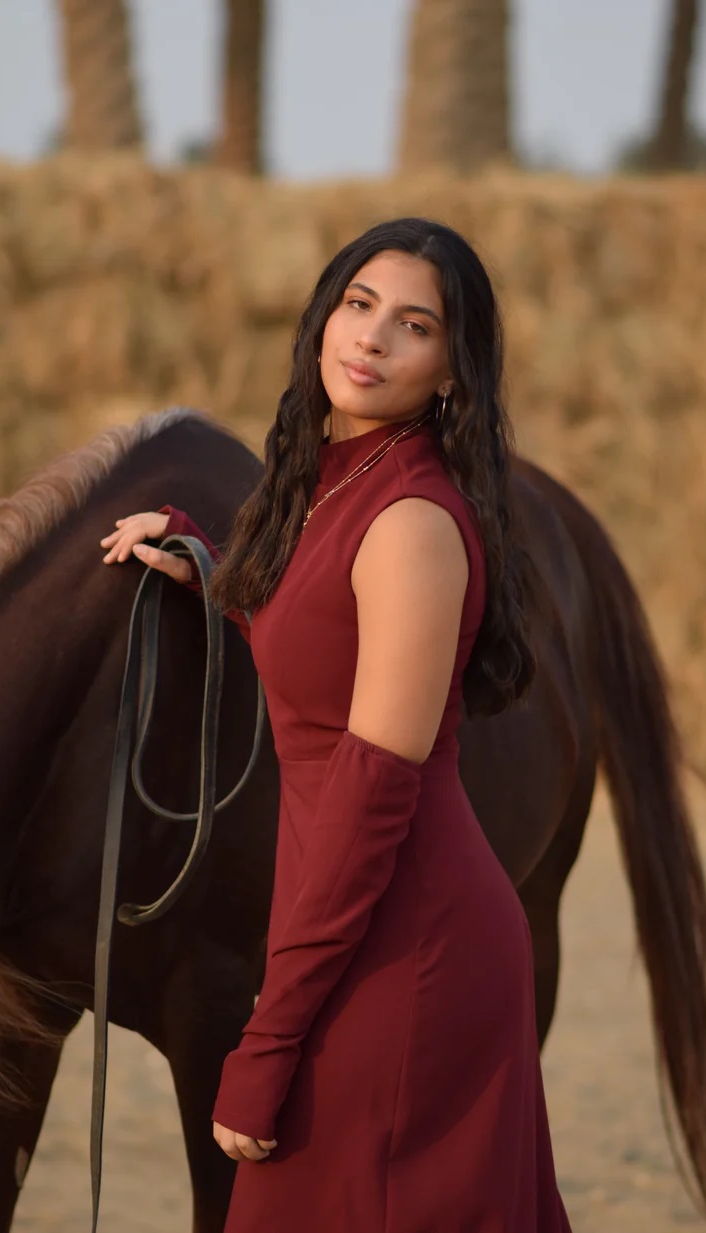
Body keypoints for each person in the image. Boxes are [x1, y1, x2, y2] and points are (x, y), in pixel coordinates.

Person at [100, 217, 571, 1232]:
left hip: (409, 962)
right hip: (360, 942)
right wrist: (202, 564)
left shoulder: (411, 525)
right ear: (322, 318)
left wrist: (267, 1043)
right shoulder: (332, 481)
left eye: (413, 326)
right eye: (358, 307)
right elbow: (314, 623)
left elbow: (367, 805)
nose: (371, 339)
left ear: (451, 372)